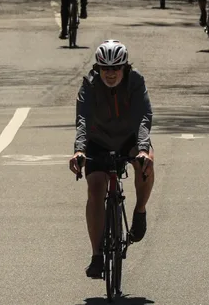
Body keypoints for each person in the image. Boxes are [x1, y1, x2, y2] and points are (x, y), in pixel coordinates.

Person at [69, 40, 155, 279]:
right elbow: (82, 121)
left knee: (146, 163)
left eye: (116, 68)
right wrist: (79, 150)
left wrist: (144, 150)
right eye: (105, 68)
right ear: (98, 68)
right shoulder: (89, 85)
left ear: (124, 68)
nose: (110, 73)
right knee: (95, 189)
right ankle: (97, 256)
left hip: (129, 138)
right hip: (99, 141)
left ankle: (140, 210)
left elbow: (144, 117)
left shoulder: (135, 81)